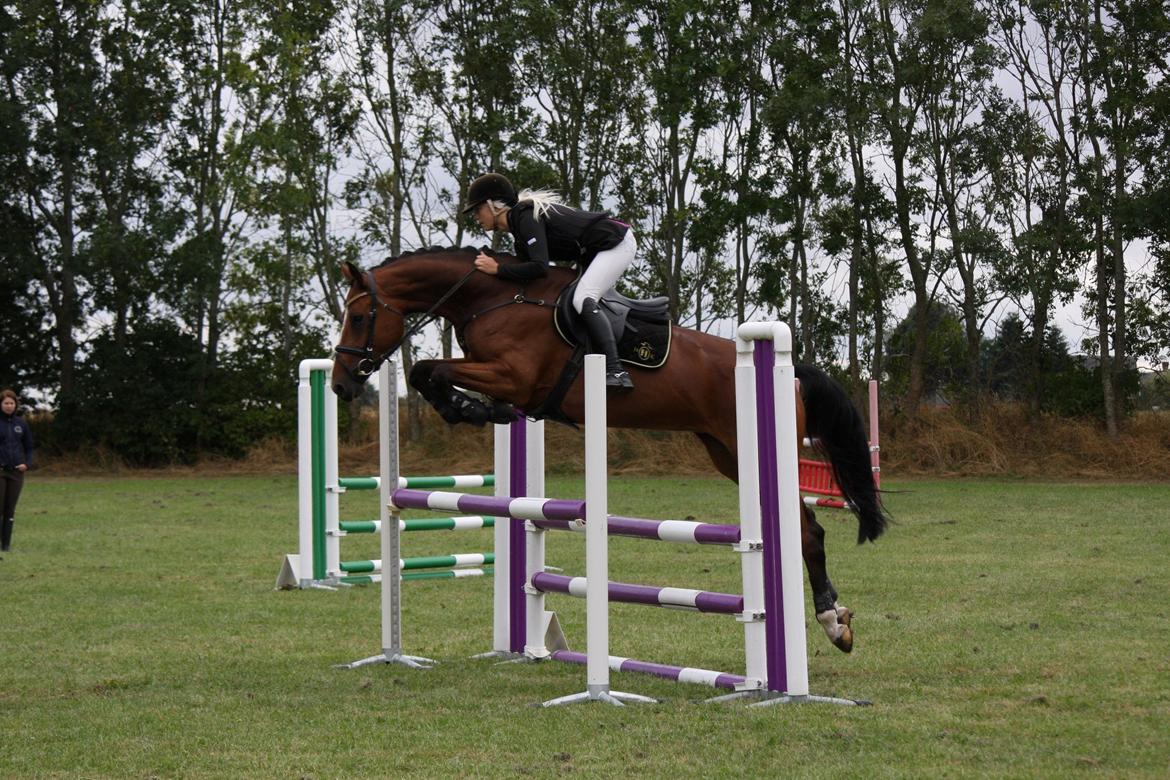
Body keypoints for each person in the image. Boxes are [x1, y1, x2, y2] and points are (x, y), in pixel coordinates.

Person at [462, 172, 637, 393]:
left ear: (493, 205)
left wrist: (497, 269)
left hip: (615, 243)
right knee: (566, 299)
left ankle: (617, 370)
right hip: (592, 251)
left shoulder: (525, 215)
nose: (476, 217)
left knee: (583, 298)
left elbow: (540, 268)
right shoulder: (519, 233)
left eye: (477, 210)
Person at [0, 389, 32, 555]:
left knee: (10, 509)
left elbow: (28, 447)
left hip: (17, 473)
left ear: (15, 405)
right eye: (6, 403)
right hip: (1, 472)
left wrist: (27, 464)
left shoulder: (21, 424)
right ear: (1, 404)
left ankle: (6, 546)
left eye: (11, 403)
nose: (9, 406)